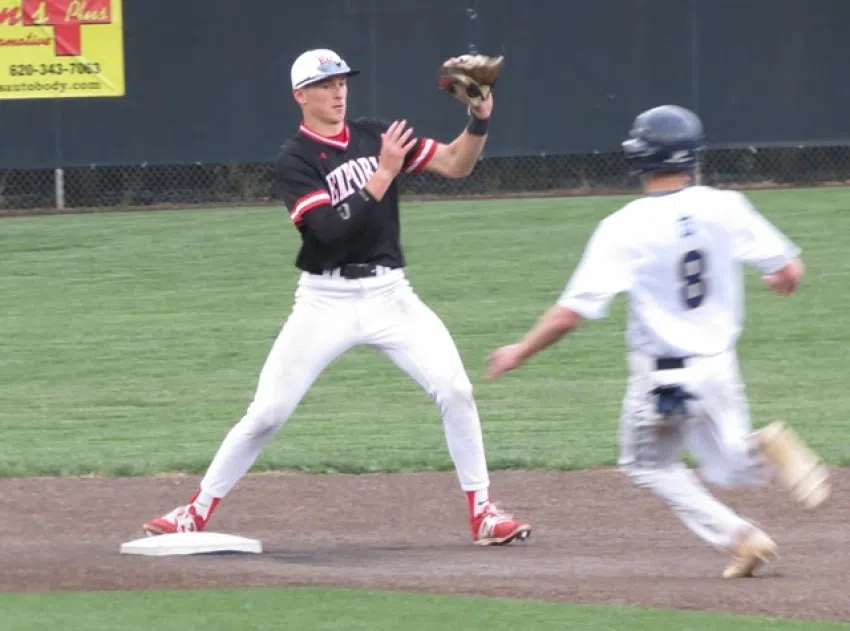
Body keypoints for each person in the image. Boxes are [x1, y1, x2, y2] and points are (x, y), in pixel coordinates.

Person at [141, 48, 531, 546]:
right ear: (300, 95)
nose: (338, 92)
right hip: (325, 301)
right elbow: (326, 231)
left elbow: (457, 165)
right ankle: (193, 512)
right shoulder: (295, 160)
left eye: (342, 82)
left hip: (391, 295)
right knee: (267, 413)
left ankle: (483, 513)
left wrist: (478, 118)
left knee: (455, 389)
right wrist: (384, 173)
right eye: (325, 85)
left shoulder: (375, 134)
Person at [485, 104, 830, 576]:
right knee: (729, 464)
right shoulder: (725, 205)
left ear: (640, 159)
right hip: (719, 367)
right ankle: (762, 451)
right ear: (692, 158)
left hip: (665, 377)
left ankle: (741, 537)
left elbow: (571, 313)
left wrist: (519, 350)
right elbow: (789, 269)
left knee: (648, 465)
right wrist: (780, 280)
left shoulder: (624, 225)